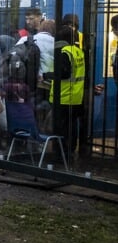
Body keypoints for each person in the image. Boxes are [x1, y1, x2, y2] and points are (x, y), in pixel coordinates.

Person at [50, 24, 88, 157]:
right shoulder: (78, 51)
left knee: (63, 127)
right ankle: (71, 149)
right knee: (72, 125)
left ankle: (62, 152)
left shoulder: (65, 52)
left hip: (64, 95)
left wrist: (48, 75)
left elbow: (64, 74)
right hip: (77, 96)